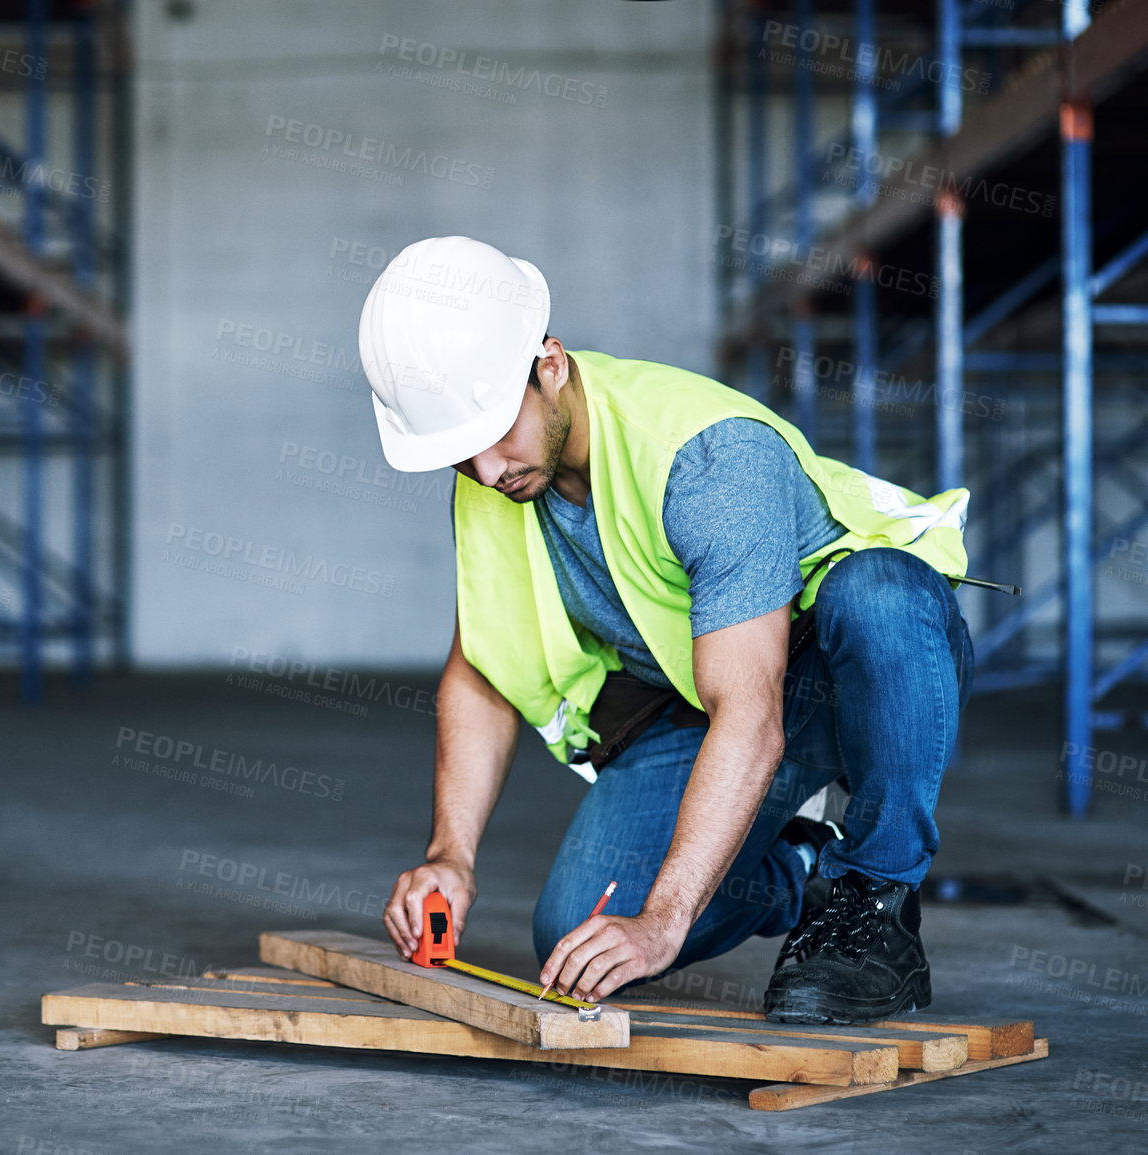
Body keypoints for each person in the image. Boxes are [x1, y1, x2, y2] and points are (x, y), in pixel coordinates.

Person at [365, 236, 974, 1024]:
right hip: (690, 694)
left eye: (493, 431)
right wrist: (451, 856)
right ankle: (799, 860)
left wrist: (664, 918)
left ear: (548, 361)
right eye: (457, 454)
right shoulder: (498, 479)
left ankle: (873, 897)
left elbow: (751, 717)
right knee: (573, 930)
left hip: (830, 672)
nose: (485, 472)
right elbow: (481, 667)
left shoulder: (706, 460)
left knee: (880, 593)